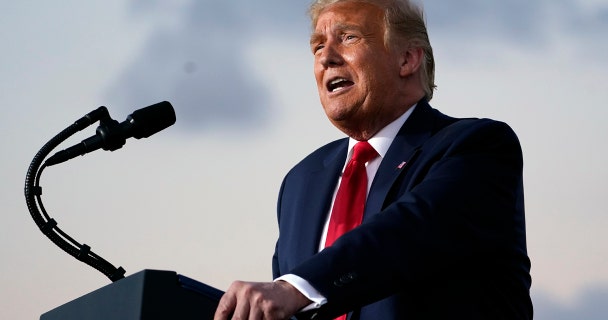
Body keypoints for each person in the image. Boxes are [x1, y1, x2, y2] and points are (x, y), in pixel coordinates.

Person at [214, 0, 533, 319]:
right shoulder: (301, 182)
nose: (326, 57)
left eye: (348, 37)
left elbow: (406, 233)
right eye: (318, 46)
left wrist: (298, 287)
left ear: (407, 58)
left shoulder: (477, 147)